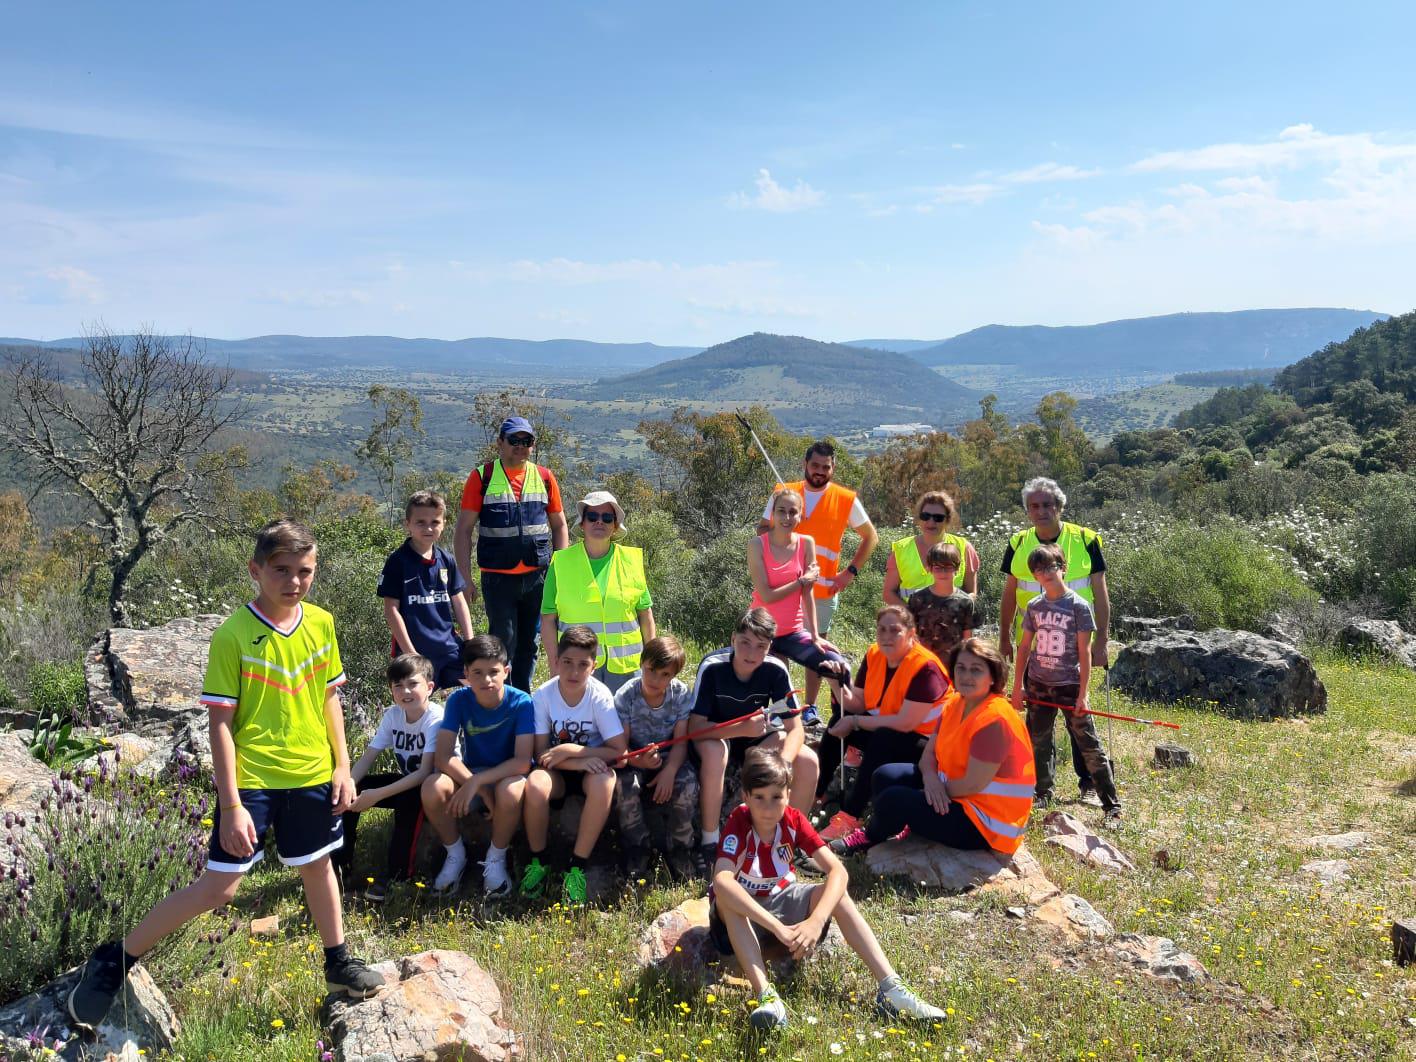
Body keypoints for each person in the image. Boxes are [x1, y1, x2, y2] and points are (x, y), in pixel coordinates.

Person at [67, 520, 383, 1028]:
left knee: (318, 866)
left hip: (311, 774)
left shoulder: (322, 624)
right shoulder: (233, 635)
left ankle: (338, 964)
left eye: (304, 571)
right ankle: (114, 960)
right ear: (255, 570)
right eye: (281, 570)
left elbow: (330, 699)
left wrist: (343, 767)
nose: (294, 581)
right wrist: (232, 805)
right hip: (253, 779)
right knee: (221, 888)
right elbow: (220, 726)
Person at [708, 747, 946, 1031]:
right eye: (759, 797)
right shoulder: (739, 820)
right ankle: (767, 998)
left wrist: (816, 920)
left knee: (836, 893)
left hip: (781, 901)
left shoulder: (794, 820)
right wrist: (779, 928)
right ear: (745, 796)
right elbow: (722, 881)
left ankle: (891, 988)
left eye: (776, 797)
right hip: (744, 918)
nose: (768, 807)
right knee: (727, 898)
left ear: (788, 795)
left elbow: (838, 871)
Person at [831, 638, 1034, 858]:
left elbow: (972, 784)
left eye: (976, 670)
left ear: (992, 676)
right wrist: (930, 780)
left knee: (896, 798)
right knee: (885, 775)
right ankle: (901, 824)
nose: (966, 676)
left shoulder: (994, 719)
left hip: (985, 823)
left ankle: (869, 838)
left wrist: (928, 791)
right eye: (961, 668)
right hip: (956, 796)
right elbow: (929, 754)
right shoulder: (956, 703)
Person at [997, 477, 1110, 803]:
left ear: (1059, 507)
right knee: (1039, 725)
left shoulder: (1086, 540)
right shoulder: (1018, 543)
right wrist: (1004, 637)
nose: (1041, 511)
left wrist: (1102, 640)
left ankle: (1089, 784)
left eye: (1048, 505)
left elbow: (1100, 595)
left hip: (1074, 653)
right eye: (1034, 506)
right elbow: (1009, 595)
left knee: (1078, 720)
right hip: (1033, 651)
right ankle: (1040, 789)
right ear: (1027, 511)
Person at [689, 607, 820, 876]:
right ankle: (710, 841)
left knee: (807, 760)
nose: (751, 653)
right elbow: (695, 729)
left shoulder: (775, 669)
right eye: (745, 643)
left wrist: (782, 765)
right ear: (733, 639)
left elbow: (795, 729)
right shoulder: (712, 667)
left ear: (770, 647)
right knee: (716, 753)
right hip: (717, 737)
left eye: (760, 646)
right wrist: (741, 729)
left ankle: (789, 840)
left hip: (754, 741)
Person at [758, 441, 878, 720]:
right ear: (805, 464)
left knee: (816, 648)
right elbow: (762, 528)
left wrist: (850, 572)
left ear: (833, 468)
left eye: (826, 467)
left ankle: (810, 706)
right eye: (815, 465)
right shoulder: (784, 493)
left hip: (822, 590)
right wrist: (785, 524)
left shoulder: (844, 498)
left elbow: (871, 537)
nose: (820, 472)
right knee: (776, 647)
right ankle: (781, 706)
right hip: (782, 586)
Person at [454, 416, 570, 693]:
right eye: (514, 440)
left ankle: (523, 696)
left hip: (537, 576)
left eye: (526, 441)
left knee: (530, 641)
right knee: (503, 640)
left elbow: (559, 525)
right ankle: (502, 696)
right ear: (500, 443)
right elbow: (463, 531)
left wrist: (560, 572)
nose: (520, 446)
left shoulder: (544, 476)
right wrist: (464, 578)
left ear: (533, 445)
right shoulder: (482, 477)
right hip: (498, 578)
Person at [817, 606, 949, 843]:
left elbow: (906, 723)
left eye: (894, 630)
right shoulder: (875, 654)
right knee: (838, 720)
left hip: (930, 746)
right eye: (881, 630)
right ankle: (817, 792)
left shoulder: (925, 667)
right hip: (893, 730)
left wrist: (855, 721)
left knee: (883, 737)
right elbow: (856, 703)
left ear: (911, 634)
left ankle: (851, 816)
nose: (886, 636)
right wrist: (835, 682)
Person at [1010, 544, 1121, 823]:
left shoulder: (1078, 606)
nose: (1045, 573)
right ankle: (1042, 792)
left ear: (1063, 568)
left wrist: (1083, 695)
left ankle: (1111, 806)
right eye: (1038, 569)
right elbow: (1024, 647)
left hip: (1069, 685)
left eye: (1050, 567)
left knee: (1089, 745)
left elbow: (1084, 653)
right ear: (1034, 576)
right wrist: (1017, 687)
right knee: (1038, 741)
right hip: (1038, 683)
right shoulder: (1034, 606)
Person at [421, 635, 535, 899]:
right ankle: (455, 855)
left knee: (512, 791)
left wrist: (477, 783)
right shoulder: (459, 701)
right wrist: (477, 785)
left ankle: (495, 859)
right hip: (473, 774)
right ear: (466, 674)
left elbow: (521, 762)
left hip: (507, 775)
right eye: (478, 673)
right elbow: (444, 756)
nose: (486, 680)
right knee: (432, 787)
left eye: (494, 672)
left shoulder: (521, 703)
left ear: (506, 672)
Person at [524, 625, 629, 904]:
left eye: (583, 665)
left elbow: (619, 751)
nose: (573, 672)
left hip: (589, 772)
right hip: (557, 773)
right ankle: (538, 860)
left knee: (605, 781)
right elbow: (541, 755)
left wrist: (571, 750)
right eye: (567, 663)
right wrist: (576, 760)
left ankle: (577, 866)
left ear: (593, 667)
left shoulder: (599, 696)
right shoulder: (543, 696)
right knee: (535, 784)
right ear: (556, 661)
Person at [334, 654, 444, 901]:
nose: (405, 691)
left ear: (429, 687)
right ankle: (341, 867)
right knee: (355, 787)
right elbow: (369, 756)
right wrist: (350, 784)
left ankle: (397, 876)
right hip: (408, 782)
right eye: (398, 686)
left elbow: (425, 772)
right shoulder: (393, 715)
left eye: (412, 684)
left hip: (433, 787)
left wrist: (377, 796)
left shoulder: (435, 718)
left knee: (409, 801)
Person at [540, 490, 654, 693]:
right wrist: (554, 663)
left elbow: (645, 615)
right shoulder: (560, 563)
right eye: (592, 517)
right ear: (582, 524)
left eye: (607, 518)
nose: (599, 522)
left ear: (615, 526)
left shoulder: (632, 561)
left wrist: (652, 660)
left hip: (627, 671)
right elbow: (548, 618)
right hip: (576, 668)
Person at [747, 486, 851, 707]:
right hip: (761, 632)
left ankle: (842, 725)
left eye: (793, 512)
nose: (787, 517)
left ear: (800, 515)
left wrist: (814, 635)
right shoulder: (757, 545)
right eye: (781, 511)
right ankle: (782, 723)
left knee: (835, 665)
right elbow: (766, 595)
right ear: (772, 514)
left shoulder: (806, 543)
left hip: (793, 632)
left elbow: (808, 593)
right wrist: (802, 580)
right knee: (779, 681)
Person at [612, 635, 699, 882]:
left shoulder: (680, 694)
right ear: (641, 663)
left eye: (665, 675)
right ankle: (637, 848)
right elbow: (621, 747)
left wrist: (670, 771)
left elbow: (681, 740)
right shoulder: (626, 695)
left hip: (671, 758)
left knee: (688, 783)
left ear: (674, 676)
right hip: (635, 758)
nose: (655, 679)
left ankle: (681, 848)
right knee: (624, 786)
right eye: (651, 670)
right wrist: (639, 761)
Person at [378, 491, 475, 691]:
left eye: (435, 522)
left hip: (449, 648)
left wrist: (470, 641)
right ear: (408, 524)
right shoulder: (398, 562)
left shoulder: (446, 560)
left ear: (444, 523)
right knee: (418, 708)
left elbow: (458, 601)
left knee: (473, 693)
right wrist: (411, 654)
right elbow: (391, 611)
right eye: (420, 522)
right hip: (415, 651)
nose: (428, 527)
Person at [883, 490, 980, 604]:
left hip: (951, 619)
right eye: (925, 516)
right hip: (910, 620)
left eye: (938, 518)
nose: (931, 522)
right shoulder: (901, 549)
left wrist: (955, 611)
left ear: (947, 520)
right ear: (919, 518)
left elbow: (971, 594)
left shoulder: (964, 548)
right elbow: (888, 593)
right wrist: (911, 616)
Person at [906, 542, 984, 662]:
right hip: (922, 662)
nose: (943, 572)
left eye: (948, 567)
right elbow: (909, 633)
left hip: (953, 664)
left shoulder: (965, 602)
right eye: (938, 568)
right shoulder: (917, 598)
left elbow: (967, 639)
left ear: (957, 568)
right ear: (930, 568)